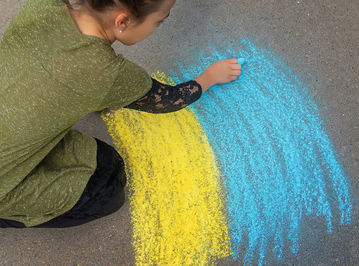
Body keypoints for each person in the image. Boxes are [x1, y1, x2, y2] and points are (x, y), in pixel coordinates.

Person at [0, 0, 242, 228]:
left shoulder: (41, 6)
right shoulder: (106, 72)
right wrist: (208, 78)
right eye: (159, 21)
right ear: (123, 22)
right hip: (4, 184)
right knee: (110, 184)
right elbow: (168, 100)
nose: (157, 27)